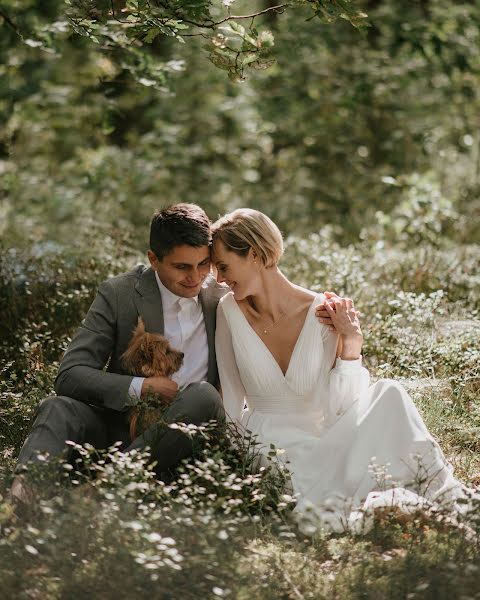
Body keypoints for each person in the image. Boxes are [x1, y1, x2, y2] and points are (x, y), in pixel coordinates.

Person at [212, 208, 470, 531]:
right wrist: (230, 469)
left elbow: (343, 407)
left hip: (322, 435)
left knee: (390, 393)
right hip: (268, 446)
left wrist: (350, 342)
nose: (219, 279)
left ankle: (441, 491)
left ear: (253, 254)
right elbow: (232, 403)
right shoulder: (228, 311)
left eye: (223, 267)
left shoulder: (322, 311)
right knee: (328, 490)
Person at [11, 203, 227, 504]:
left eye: (204, 264)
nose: (196, 277)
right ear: (153, 259)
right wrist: (141, 388)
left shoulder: (224, 298)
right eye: (182, 267)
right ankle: (19, 503)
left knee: (203, 395)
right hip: (123, 429)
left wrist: (318, 307)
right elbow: (70, 375)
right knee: (57, 407)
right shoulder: (120, 293)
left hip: (187, 434)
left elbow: (278, 302)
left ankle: (101, 494)